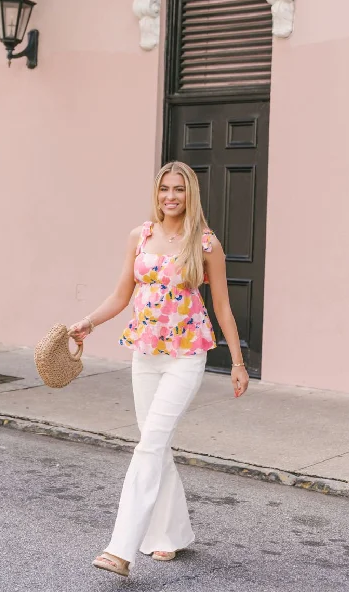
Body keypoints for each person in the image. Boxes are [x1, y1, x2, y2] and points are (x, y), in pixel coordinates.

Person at [68, 161, 249, 578]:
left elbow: (221, 304)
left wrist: (238, 363)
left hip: (186, 355)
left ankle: (120, 548)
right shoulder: (141, 235)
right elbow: (120, 294)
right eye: (165, 188)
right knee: (155, 443)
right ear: (157, 193)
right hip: (146, 354)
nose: (171, 196)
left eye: (179, 190)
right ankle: (170, 533)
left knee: (149, 445)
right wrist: (87, 323)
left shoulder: (205, 244)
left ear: (191, 194)